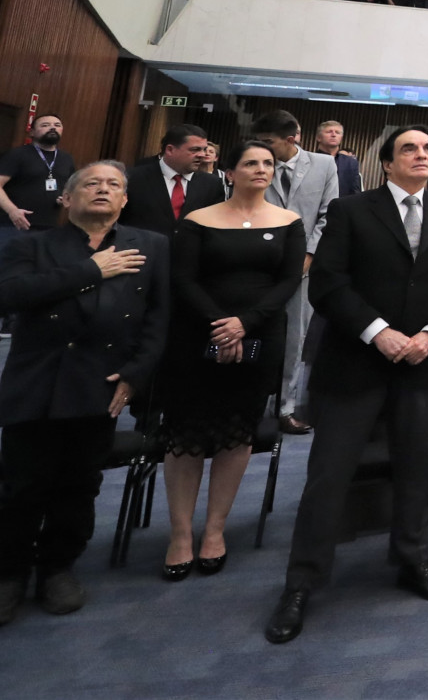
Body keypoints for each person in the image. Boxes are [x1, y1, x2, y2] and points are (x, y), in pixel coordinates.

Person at [266, 126, 428, 645]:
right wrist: (378, 332)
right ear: (387, 163)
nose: (422, 155)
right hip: (356, 363)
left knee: (414, 467)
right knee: (329, 476)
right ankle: (303, 581)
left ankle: (411, 559)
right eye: (410, 148)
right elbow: (330, 283)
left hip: (422, 362)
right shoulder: (354, 210)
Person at [0, 162, 167, 622]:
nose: (103, 189)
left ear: (125, 200)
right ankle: (8, 574)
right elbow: (9, 295)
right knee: (21, 485)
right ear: (67, 198)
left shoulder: (150, 246)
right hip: (36, 380)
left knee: (79, 484)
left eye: (114, 185)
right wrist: (91, 270)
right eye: (91, 183)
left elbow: (158, 318)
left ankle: (57, 568)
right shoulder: (34, 244)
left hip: (103, 383)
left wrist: (137, 374)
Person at [157, 141, 305, 580]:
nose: (261, 169)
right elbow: (183, 279)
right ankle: (180, 535)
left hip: (258, 336)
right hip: (196, 336)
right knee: (186, 434)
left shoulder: (288, 222)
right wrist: (221, 324)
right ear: (230, 170)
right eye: (251, 163)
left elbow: (287, 282)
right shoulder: (199, 220)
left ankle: (215, 530)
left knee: (235, 434)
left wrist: (245, 324)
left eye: (268, 163)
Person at [253, 110, 338, 435]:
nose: (261, 147)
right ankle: (252, 400)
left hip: (305, 267)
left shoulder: (323, 165)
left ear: (290, 140)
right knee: (251, 333)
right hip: (260, 265)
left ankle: (285, 407)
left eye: (268, 142)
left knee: (295, 338)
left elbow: (330, 213)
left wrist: (309, 255)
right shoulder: (258, 165)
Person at [121, 123, 226, 241]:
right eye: (195, 150)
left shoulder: (212, 184)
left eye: (204, 149)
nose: (202, 155)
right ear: (170, 150)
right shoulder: (133, 178)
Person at [0, 114, 76, 241]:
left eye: (57, 125)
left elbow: (71, 188)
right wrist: (12, 211)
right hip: (13, 225)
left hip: (49, 227)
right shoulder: (18, 154)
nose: (52, 128)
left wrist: (64, 198)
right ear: (32, 132)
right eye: (45, 125)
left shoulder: (66, 159)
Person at [311, 121, 361, 198]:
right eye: (329, 132)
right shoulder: (309, 160)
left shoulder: (350, 163)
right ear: (318, 137)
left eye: (337, 132)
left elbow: (355, 191)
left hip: (341, 206)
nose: (333, 135)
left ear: (341, 138)